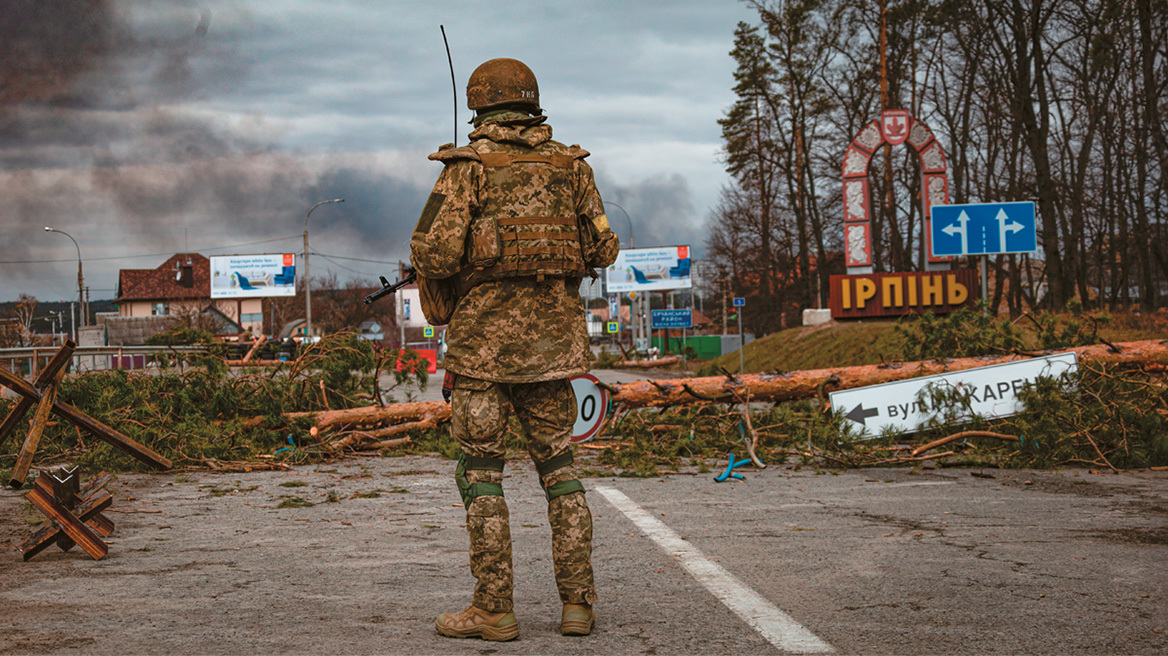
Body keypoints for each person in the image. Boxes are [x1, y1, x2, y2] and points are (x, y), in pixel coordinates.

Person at [409, 57, 619, 642]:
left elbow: (435, 255)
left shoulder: (467, 169)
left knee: (481, 475)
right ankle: (578, 604)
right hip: (555, 349)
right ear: (531, 103)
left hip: (481, 352)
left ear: (479, 105)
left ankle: (494, 609)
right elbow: (603, 248)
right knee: (560, 471)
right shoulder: (572, 168)